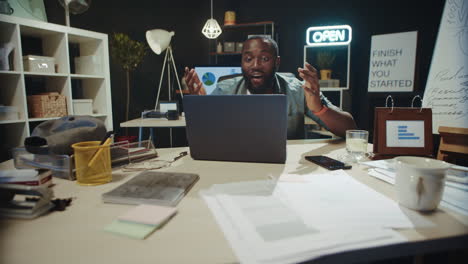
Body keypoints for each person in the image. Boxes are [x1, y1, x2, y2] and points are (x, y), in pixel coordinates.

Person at [183, 36, 356, 138]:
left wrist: (319, 108)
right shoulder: (225, 89)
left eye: (264, 59)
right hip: (237, 167)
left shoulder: (297, 90)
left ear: (277, 62)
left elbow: (350, 130)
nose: (255, 65)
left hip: (286, 171)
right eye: (248, 59)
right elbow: (205, 135)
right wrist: (201, 108)